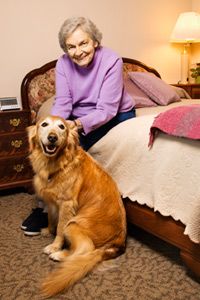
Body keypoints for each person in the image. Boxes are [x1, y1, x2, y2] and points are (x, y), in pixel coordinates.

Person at [21, 16, 135, 236]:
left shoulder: (112, 60)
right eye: (71, 47)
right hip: (78, 115)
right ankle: (43, 207)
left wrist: (77, 126)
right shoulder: (62, 63)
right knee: (51, 146)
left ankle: (62, 203)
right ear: (65, 49)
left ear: (95, 41)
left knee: (71, 150)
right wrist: (56, 128)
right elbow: (63, 103)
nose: (78, 51)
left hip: (115, 114)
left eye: (83, 43)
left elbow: (106, 110)